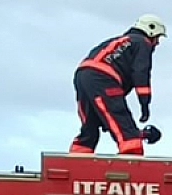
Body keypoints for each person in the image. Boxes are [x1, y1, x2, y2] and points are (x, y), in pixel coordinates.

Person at [70, 15, 166, 156]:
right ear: (150, 30)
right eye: (157, 38)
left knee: (90, 126)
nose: (157, 43)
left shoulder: (118, 41)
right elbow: (141, 73)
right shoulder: (142, 43)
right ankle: (132, 159)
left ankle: (77, 159)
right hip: (102, 77)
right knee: (123, 124)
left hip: (82, 75)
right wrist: (144, 104)